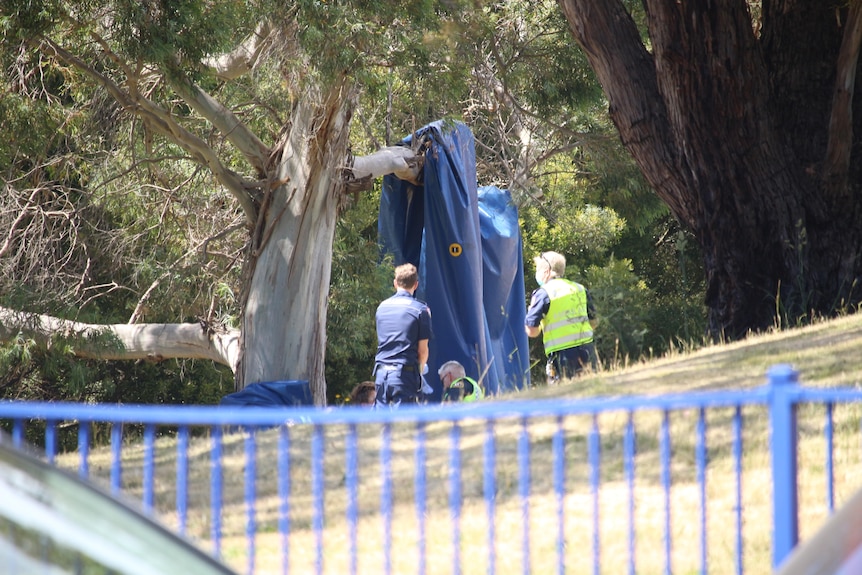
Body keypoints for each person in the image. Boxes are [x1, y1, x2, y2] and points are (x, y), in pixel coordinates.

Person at [525, 251, 598, 383]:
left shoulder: (543, 294)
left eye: (538, 270)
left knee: (565, 396)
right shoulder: (580, 289)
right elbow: (594, 322)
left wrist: (534, 314)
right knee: (592, 390)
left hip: (562, 355)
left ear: (546, 271)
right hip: (587, 349)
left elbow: (532, 331)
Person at [373, 263, 433, 407]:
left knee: (382, 425)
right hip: (404, 375)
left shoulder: (382, 307)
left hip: (381, 373)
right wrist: (418, 373)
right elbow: (422, 351)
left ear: (395, 283)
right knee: (404, 425)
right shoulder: (420, 310)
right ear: (416, 284)